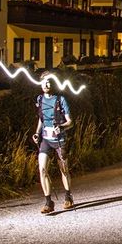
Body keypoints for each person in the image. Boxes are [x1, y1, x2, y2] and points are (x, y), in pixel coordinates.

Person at [33, 76, 74, 213]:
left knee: (64, 169)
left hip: (59, 139)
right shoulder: (39, 99)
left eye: (49, 82)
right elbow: (41, 118)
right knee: (42, 169)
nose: (46, 84)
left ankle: (68, 197)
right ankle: (48, 202)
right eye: (43, 82)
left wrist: (61, 127)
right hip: (45, 139)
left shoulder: (60, 100)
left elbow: (70, 122)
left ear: (53, 84)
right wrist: (37, 133)